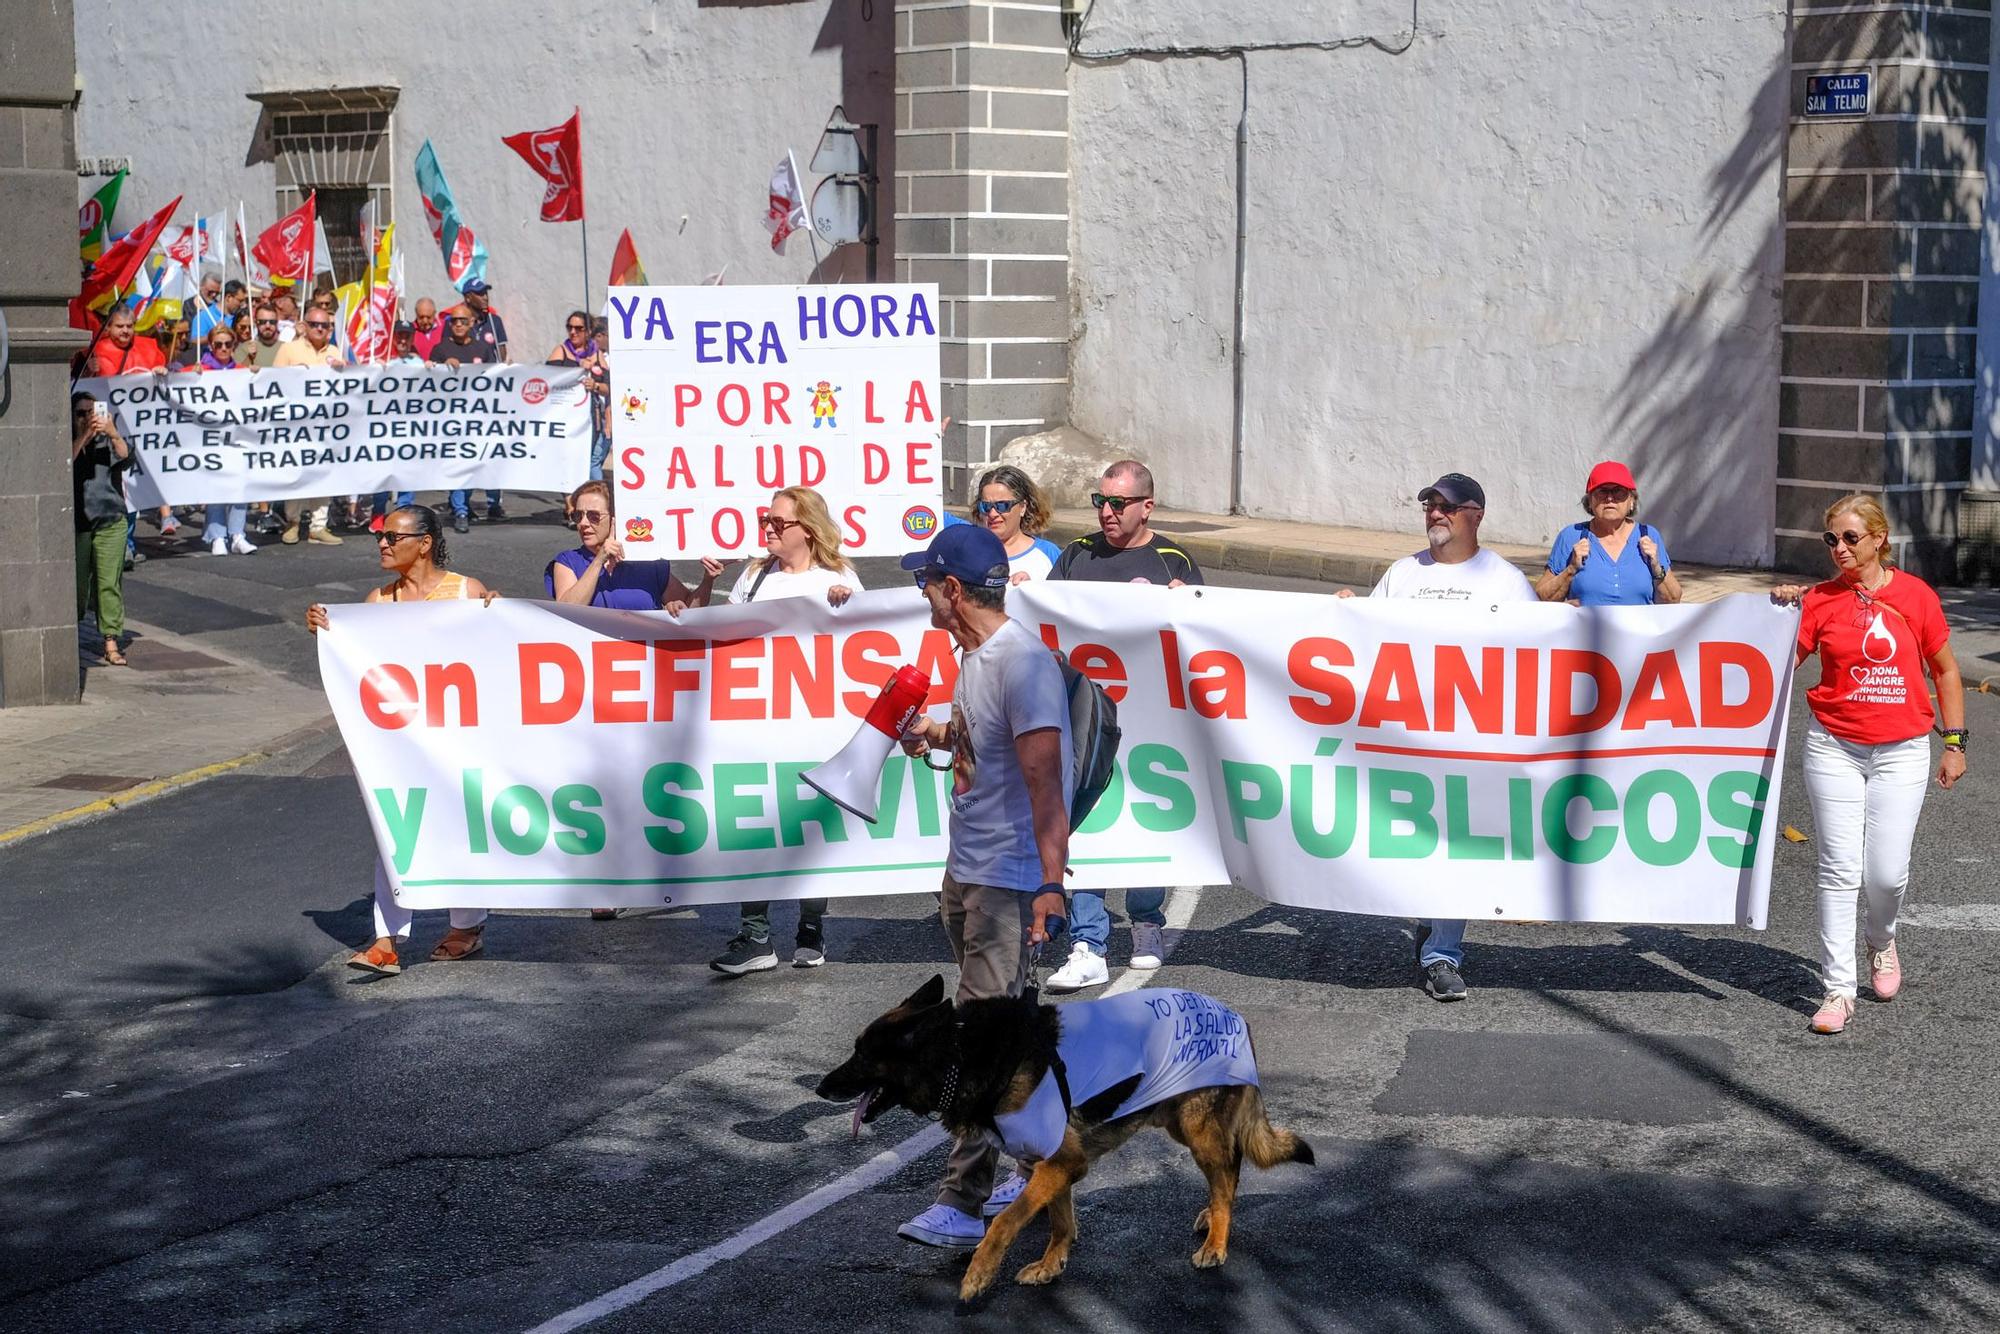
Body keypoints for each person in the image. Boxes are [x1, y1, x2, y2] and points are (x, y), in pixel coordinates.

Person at [892, 522, 1073, 1249]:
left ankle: (962, 1202)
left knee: (977, 1037)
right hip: (966, 872)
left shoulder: (1021, 665)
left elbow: (1045, 782)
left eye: (925, 583)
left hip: (1005, 879)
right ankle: (1037, 1159)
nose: (922, 595)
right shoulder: (973, 657)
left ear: (954, 590)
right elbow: (978, 742)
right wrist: (932, 733)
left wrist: (1050, 886)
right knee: (998, 1035)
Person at [1773, 495, 1967, 1035]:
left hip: (1902, 750)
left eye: (1850, 538)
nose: (1839, 548)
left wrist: (1954, 742)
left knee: (1886, 872)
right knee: (1838, 868)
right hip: (1833, 745)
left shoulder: (1915, 597)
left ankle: (1881, 939)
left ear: (1879, 539)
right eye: (1830, 539)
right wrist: (1778, 614)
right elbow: (1779, 667)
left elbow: (1946, 672)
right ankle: (1837, 989)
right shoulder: (1819, 601)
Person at [1339, 472, 1536, 1001]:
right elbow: (1363, 639)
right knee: (1401, 836)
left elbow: (1539, 659)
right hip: (1403, 736)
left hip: (1470, 742)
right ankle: (1428, 916)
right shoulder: (1403, 575)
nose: (1435, 513)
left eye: (1447, 505)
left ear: (1476, 514)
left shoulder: (1507, 582)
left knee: (1459, 844)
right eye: (1428, 503)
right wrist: (1341, 613)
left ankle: (1443, 953)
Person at [305, 505, 497, 973]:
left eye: (393, 536)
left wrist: (498, 615)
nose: (383, 544)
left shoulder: (466, 592)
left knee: (461, 827)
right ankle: (387, 938)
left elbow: (495, 660)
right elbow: (360, 666)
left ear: (425, 543)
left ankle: (466, 926)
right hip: (402, 743)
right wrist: (328, 630)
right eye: (380, 537)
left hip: (458, 735)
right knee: (396, 830)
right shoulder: (378, 602)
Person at [1043, 460, 1197, 990]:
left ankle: (1147, 919)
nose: (1106, 512)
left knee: (1146, 816)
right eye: (1100, 501)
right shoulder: (1075, 555)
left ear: (1146, 506)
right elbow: (1042, 622)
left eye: (1118, 503)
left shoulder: (1172, 559)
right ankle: (1088, 938)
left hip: (1153, 714)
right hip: (1086, 716)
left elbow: (1205, 636)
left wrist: (1188, 603)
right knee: (1087, 819)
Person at [709, 486, 862, 976]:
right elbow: (725, 638)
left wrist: (845, 608)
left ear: (808, 529)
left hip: (814, 728)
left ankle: (811, 928)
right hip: (758, 726)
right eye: (765, 520)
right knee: (754, 826)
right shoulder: (754, 577)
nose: (768, 528)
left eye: (778, 521)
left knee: (809, 828)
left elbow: (861, 647)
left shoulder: (837, 577)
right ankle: (754, 935)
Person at [545, 479, 721, 612]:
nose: (583, 523)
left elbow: (690, 611)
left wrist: (707, 580)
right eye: (577, 516)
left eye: (593, 516)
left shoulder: (650, 564)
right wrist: (599, 560)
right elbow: (567, 611)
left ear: (615, 517)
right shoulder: (567, 562)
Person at [1535, 460, 1683, 605]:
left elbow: (1673, 599)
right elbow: (1542, 598)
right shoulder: (1571, 535)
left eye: (1619, 492)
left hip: (1638, 629)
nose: (1610, 498)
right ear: (1590, 501)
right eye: (1602, 492)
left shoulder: (1649, 535)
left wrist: (1657, 567)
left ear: (1631, 501)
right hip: (1587, 629)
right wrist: (1571, 569)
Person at [274, 302, 348, 546]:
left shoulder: (336, 352)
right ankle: (293, 523)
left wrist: (343, 372)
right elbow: (273, 383)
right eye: (314, 324)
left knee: (323, 474)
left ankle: (318, 525)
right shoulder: (289, 349)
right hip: (296, 425)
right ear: (304, 326)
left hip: (325, 425)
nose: (319, 329)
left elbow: (347, 390)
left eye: (324, 325)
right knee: (296, 473)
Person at [73, 392, 134, 666]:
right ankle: (70, 632)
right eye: (81, 413)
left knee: (108, 583)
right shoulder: (70, 440)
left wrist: (112, 432)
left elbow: (126, 456)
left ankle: (111, 640)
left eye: (91, 412)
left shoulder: (107, 441)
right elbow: (64, 464)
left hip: (110, 520)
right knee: (77, 587)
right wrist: (84, 436)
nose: (87, 417)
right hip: (79, 524)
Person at [430, 307, 502, 532]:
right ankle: (460, 510)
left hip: (479, 418)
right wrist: (441, 366)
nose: (458, 324)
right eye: (454, 321)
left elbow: (497, 377)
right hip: (451, 420)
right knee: (459, 464)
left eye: (463, 321)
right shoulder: (440, 349)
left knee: (478, 462)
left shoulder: (483, 348)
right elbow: (429, 382)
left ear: (472, 323)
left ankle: (476, 504)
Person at [365, 321, 426, 531]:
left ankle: (403, 514)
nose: (402, 340)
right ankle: (379, 513)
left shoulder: (418, 363)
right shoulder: (380, 361)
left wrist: (432, 370)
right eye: (399, 335)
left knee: (407, 473)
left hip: (409, 427)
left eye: (406, 336)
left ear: (411, 339)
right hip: (384, 427)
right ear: (392, 337)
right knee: (383, 472)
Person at [549, 310, 611, 490]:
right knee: (568, 462)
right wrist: (578, 367)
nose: (573, 332)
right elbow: (549, 381)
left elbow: (609, 388)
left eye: (579, 328)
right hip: (566, 418)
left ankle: (597, 503)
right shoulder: (560, 351)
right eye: (570, 327)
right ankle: (570, 505)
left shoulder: (597, 354)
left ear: (588, 331)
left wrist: (596, 386)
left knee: (589, 461)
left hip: (591, 419)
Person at [975, 464, 1062, 583]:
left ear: (1022, 507)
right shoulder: (968, 553)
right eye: (986, 506)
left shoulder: (1049, 554)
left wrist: (1032, 589)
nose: (992, 514)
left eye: (1002, 505)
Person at [87, 307, 165, 376]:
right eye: (120, 326)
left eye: (129, 326)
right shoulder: (95, 351)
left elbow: (161, 370)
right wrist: (89, 371)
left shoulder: (149, 347)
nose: (125, 330)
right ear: (108, 327)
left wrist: (161, 370)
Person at [461, 278, 509, 359]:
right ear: (468, 298)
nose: (485, 297)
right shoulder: (456, 323)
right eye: (480, 294)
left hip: (492, 371)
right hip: (466, 371)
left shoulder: (495, 321)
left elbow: (502, 356)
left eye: (486, 293)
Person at [239, 303, 285, 368]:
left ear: (277, 323)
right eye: (262, 322)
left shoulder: (286, 348)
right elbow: (237, 373)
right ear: (255, 322)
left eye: (272, 322)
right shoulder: (243, 348)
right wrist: (249, 358)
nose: (268, 326)